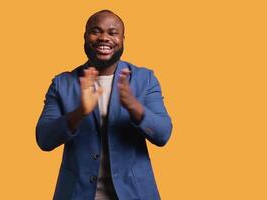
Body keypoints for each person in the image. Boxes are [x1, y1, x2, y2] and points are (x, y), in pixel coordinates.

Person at [36, 9, 173, 200]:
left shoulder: (145, 79)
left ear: (123, 39)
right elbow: (44, 139)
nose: (104, 38)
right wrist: (80, 112)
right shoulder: (62, 83)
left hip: (135, 194)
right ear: (85, 37)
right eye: (96, 31)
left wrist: (133, 105)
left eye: (112, 32)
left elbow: (163, 134)